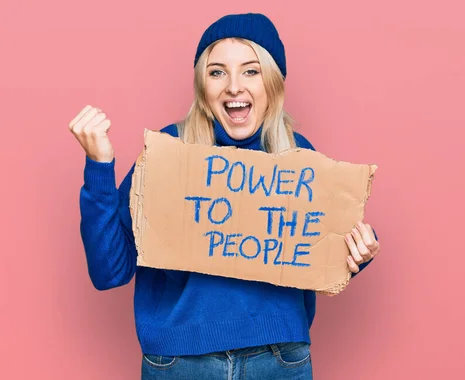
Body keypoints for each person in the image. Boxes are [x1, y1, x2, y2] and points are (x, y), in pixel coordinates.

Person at [68, 12, 380, 380]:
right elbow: (109, 271)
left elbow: (310, 256)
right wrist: (99, 166)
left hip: (278, 360)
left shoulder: (300, 157)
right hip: (179, 363)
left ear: (273, 82)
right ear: (203, 85)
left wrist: (352, 254)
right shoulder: (168, 154)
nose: (234, 86)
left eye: (251, 70)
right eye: (217, 72)